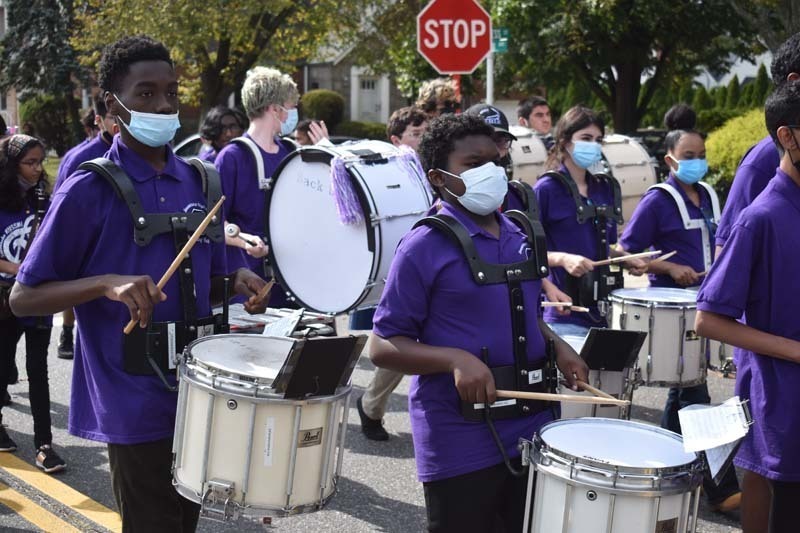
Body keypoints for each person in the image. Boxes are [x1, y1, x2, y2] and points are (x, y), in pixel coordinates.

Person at [9, 35, 269, 532]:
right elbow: (24, 297)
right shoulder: (88, 187)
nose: (165, 105)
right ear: (113, 104)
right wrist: (106, 283)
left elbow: (199, 289)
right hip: (131, 391)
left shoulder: (202, 180)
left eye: (170, 92)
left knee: (184, 523)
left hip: (198, 389)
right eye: (146, 94)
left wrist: (235, 281)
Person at [370, 113, 588, 532]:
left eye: (494, 161)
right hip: (460, 435)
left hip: (533, 424)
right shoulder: (423, 245)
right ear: (439, 177)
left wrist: (558, 347)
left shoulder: (518, 233)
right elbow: (383, 345)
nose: (490, 172)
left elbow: (516, 313)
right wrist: (454, 360)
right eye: (473, 164)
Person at [618, 126, 741, 512]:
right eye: (688, 155)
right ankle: (717, 489)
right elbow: (626, 251)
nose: (696, 161)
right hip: (674, 311)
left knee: (686, 390)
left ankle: (669, 474)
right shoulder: (658, 199)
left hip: (705, 306)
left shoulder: (707, 194)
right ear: (670, 158)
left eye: (701, 153)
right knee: (693, 393)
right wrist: (669, 269)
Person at [695, 81, 800, 533]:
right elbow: (708, 319)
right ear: (788, 137)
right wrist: (795, 350)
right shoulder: (760, 218)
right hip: (786, 403)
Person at [215, 67, 328, 307]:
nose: (294, 113)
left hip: (293, 280)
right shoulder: (232, 157)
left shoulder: (291, 152)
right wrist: (244, 240)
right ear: (275, 109)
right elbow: (215, 223)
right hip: (250, 283)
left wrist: (327, 156)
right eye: (291, 106)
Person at [534, 105, 645, 336]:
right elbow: (524, 251)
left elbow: (599, 249)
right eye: (586, 138)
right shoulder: (546, 189)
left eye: (598, 140)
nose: (593, 145)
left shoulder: (603, 188)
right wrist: (562, 259)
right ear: (565, 142)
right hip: (563, 313)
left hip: (605, 312)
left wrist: (624, 259)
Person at [355, 106, 430, 441]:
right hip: (403, 266)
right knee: (403, 343)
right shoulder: (390, 173)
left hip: (434, 262)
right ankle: (371, 405)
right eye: (416, 134)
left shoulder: (434, 165)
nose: (423, 139)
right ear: (396, 140)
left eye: (425, 132)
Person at [0, 134, 66, 473]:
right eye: (30, 163)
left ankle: (44, 444)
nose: (38, 169)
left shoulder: (44, 199)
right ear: (12, 166)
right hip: (5, 297)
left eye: (41, 162)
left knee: (37, 370)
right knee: (2, 363)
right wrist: (17, 268)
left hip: (37, 295)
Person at [54, 94, 120, 360]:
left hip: (118, 241)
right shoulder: (78, 158)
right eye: (112, 119)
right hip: (86, 240)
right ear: (99, 120)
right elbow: (60, 207)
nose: (119, 124)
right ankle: (67, 332)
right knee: (81, 292)